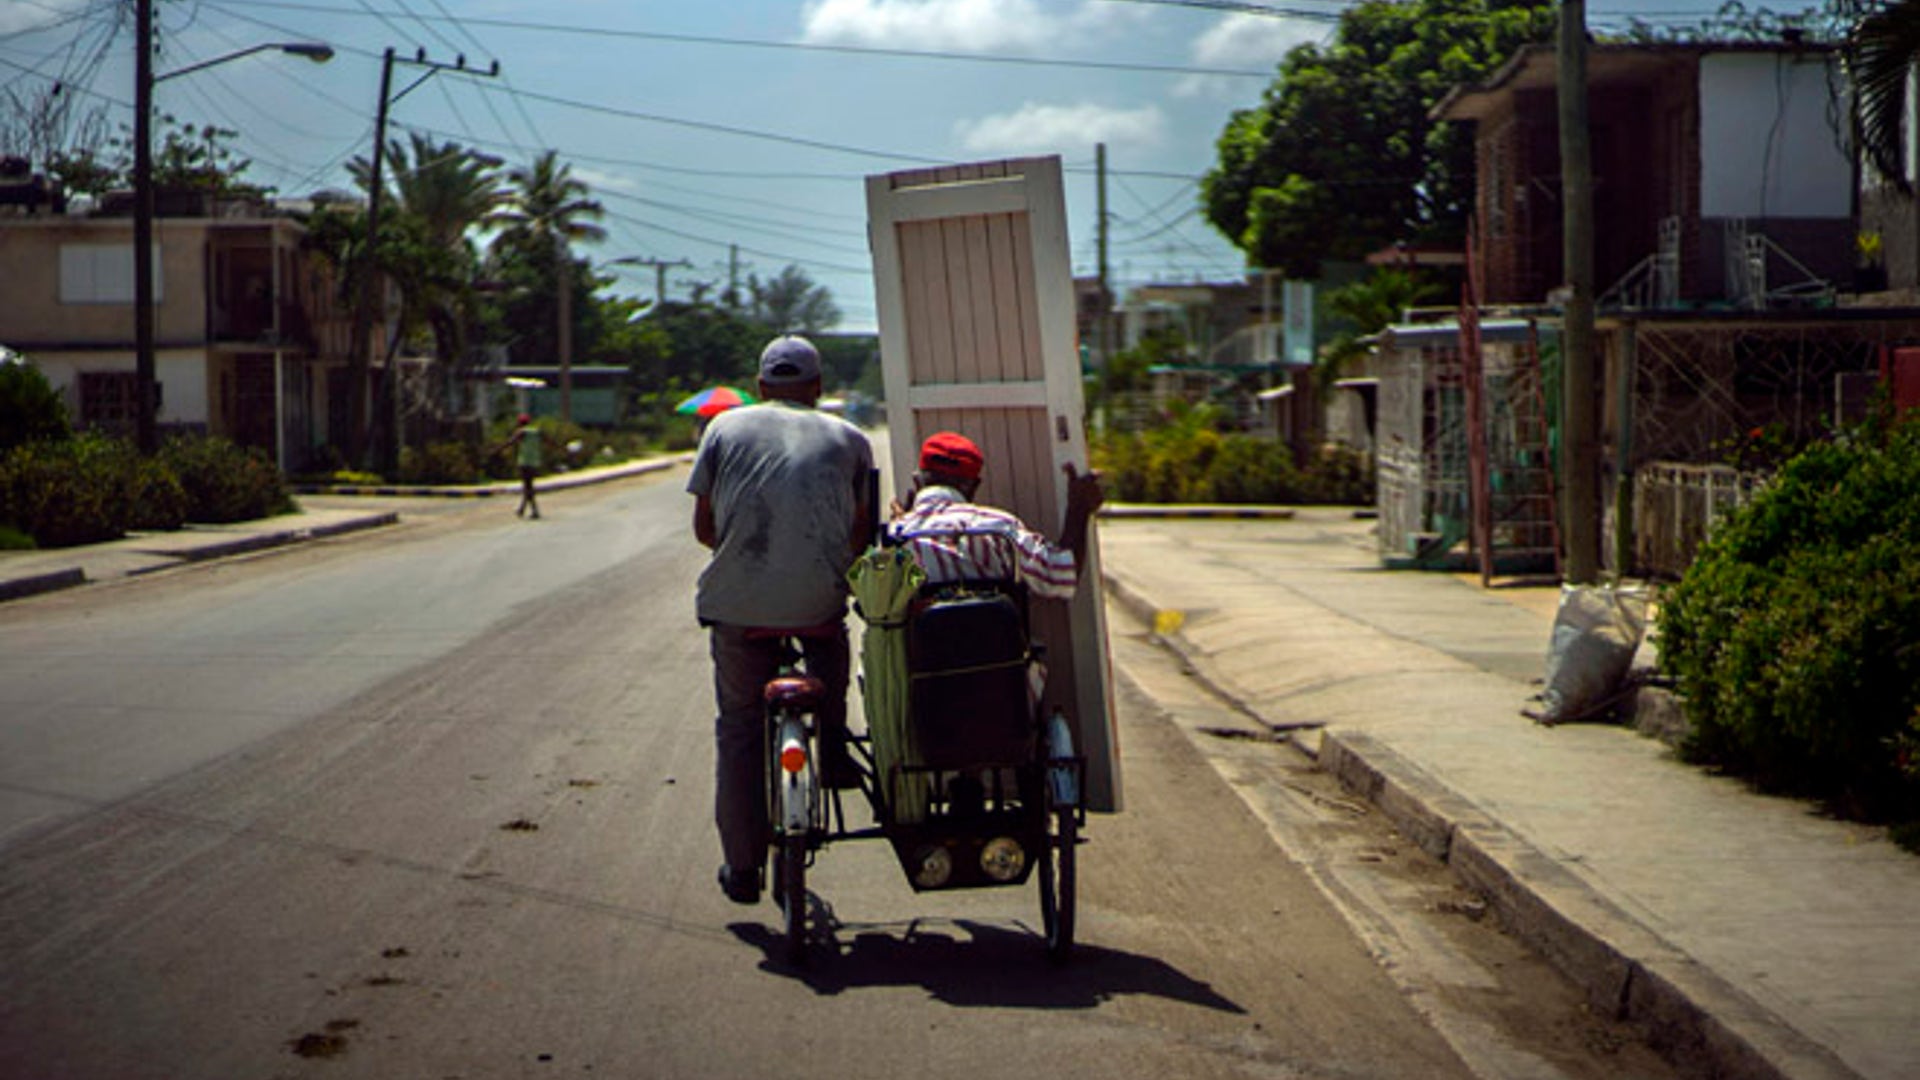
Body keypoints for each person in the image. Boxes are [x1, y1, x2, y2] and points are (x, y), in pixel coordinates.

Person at [687, 334, 874, 905]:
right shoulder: (852, 439)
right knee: (831, 645)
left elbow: (704, 527)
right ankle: (835, 745)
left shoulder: (722, 429)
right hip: (817, 602)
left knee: (740, 729)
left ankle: (742, 870)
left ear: (762, 385)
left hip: (737, 609)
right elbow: (860, 536)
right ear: (816, 388)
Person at [887, 430, 1105, 600]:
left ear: (917, 482)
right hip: (999, 656)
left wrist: (903, 523)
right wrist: (1078, 509)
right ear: (974, 486)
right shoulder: (999, 527)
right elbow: (1060, 575)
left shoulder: (896, 535)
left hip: (925, 657)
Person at [499, 414, 543, 519]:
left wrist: (498, 449)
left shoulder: (521, 432)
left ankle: (535, 511)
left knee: (528, 486)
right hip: (535, 461)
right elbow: (550, 441)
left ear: (520, 423)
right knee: (528, 485)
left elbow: (510, 442)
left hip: (525, 462)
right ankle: (522, 509)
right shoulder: (536, 431)